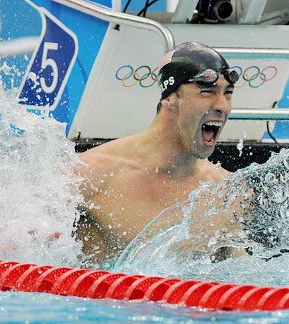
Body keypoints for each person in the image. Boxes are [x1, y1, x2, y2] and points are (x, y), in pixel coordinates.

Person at [75, 42, 241, 266]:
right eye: (207, 92)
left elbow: (243, 280)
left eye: (227, 94)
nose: (223, 106)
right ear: (170, 97)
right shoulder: (91, 175)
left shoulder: (224, 192)